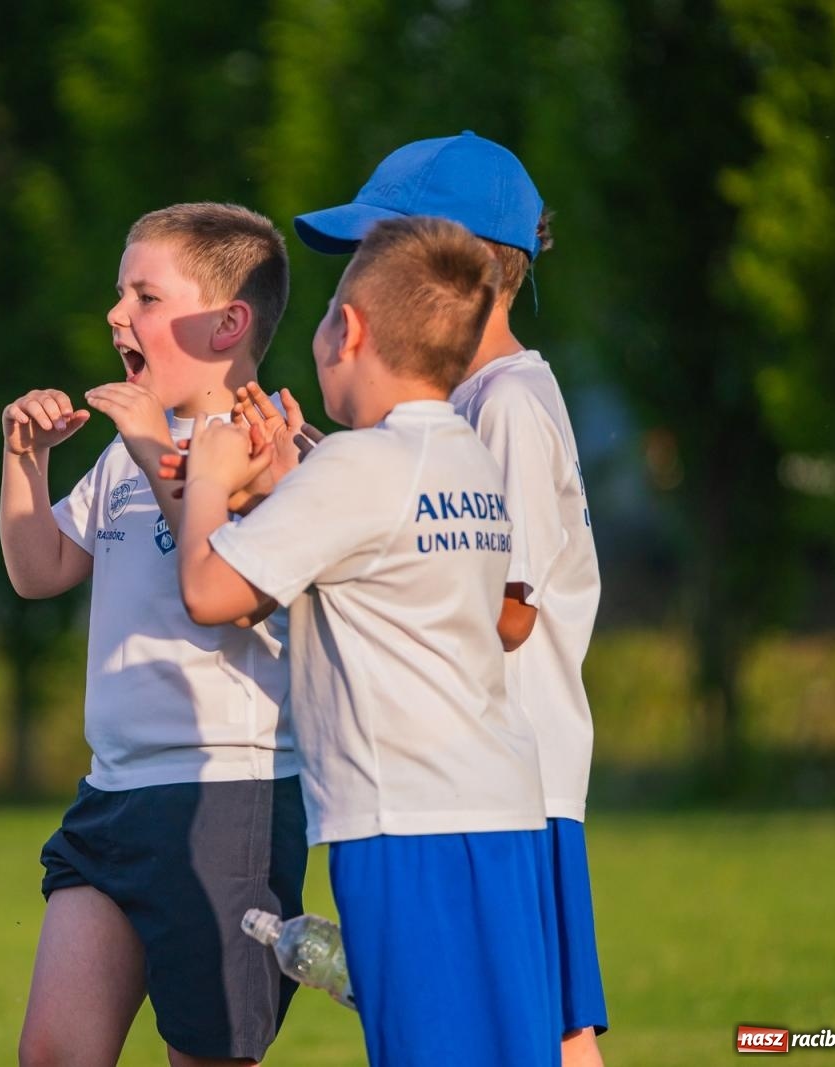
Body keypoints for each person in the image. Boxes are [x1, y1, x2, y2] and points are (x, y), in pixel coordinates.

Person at [174, 215, 556, 1067]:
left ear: (346, 330)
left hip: (407, 824)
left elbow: (208, 591)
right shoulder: (466, 459)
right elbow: (374, 567)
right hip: (501, 812)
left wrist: (209, 474)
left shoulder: (358, 465)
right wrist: (293, 484)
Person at [296, 130, 608, 1064]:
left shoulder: (505, 404)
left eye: (377, 250)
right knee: (540, 1031)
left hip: (512, 781)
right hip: (484, 780)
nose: (358, 277)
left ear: (451, 263)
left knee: (553, 1036)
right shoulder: (452, 407)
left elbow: (504, 609)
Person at [0, 202, 306, 1067]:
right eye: (119, 293)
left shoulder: (277, 452)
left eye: (145, 296)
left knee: (206, 1057)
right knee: (53, 1055)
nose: (115, 314)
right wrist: (25, 460)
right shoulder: (120, 456)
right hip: (113, 794)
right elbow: (40, 568)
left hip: (225, 800)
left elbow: (234, 590)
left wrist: (146, 449)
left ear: (227, 324)